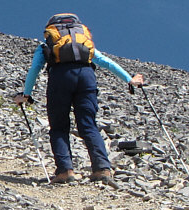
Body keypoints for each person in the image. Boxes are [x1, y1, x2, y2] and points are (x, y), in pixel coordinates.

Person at [14, 13, 144, 184]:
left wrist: (26, 95)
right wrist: (130, 79)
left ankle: (65, 171)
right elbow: (106, 61)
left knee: (59, 127)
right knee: (88, 125)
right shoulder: (83, 44)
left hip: (60, 78)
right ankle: (102, 169)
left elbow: (35, 69)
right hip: (86, 76)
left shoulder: (46, 46)